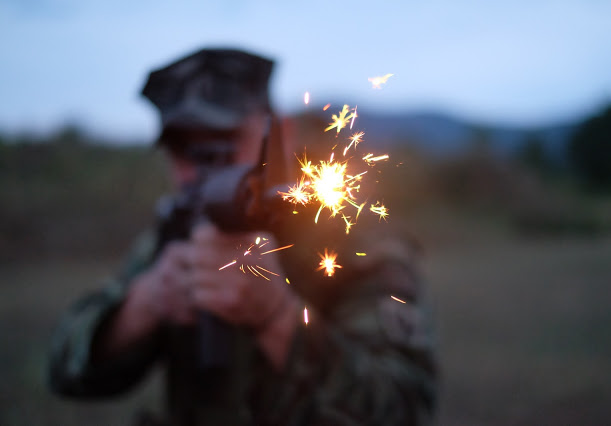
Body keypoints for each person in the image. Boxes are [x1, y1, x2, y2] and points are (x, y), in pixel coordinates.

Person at [48, 48, 438, 426]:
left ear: (280, 133)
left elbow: (404, 408)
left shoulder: (356, 245)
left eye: (223, 142)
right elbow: (64, 369)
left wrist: (277, 319)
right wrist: (145, 304)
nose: (202, 169)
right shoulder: (172, 236)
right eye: (182, 148)